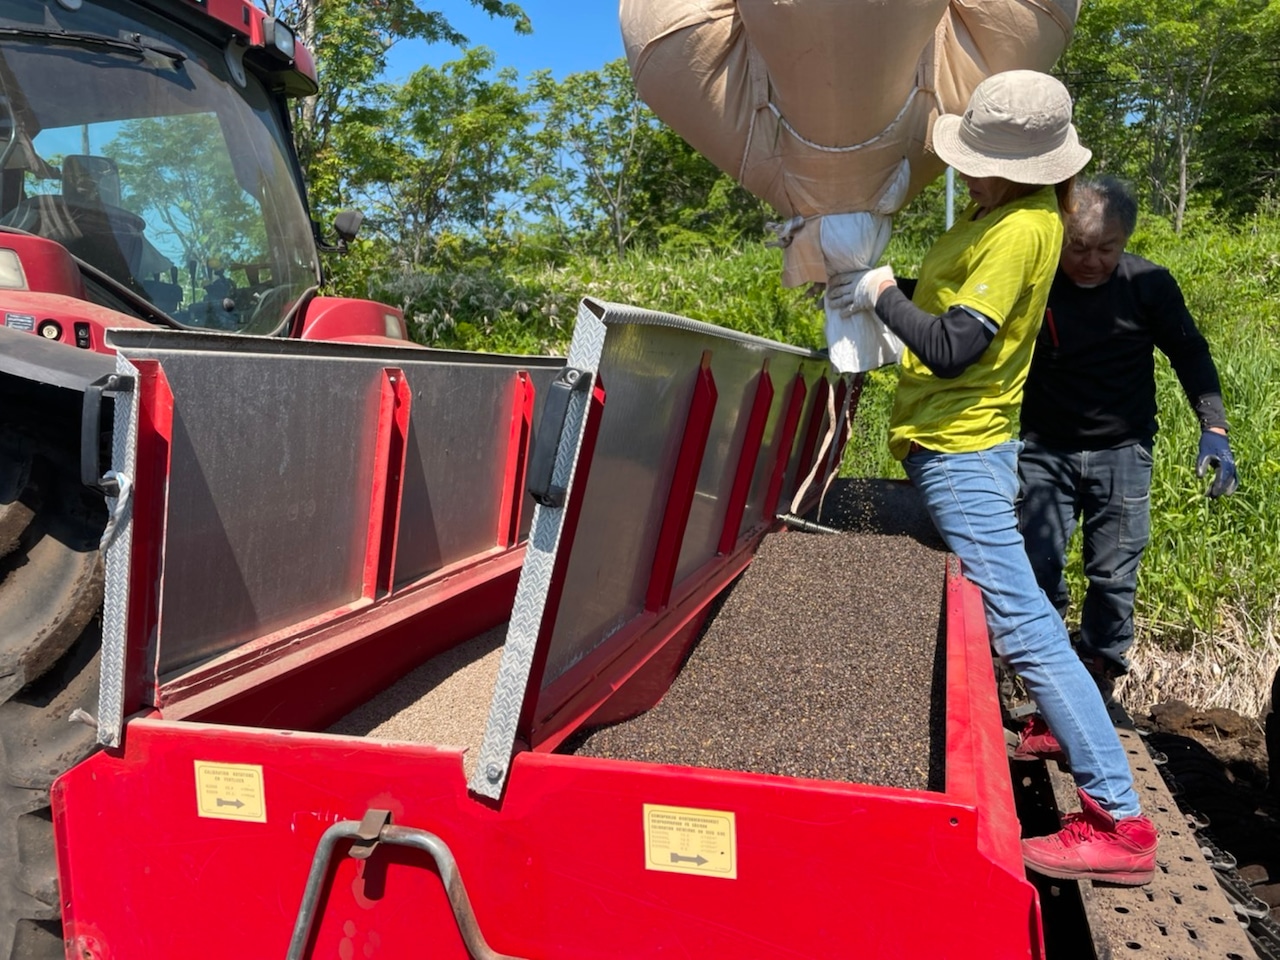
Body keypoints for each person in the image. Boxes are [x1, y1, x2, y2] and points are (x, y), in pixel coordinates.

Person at [827, 70, 1157, 884]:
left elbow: (950, 348)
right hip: (952, 447)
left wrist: (876, 293)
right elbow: (944, 316)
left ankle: (1120, 820)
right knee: (1019, 616)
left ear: (1024, 167)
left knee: (1025, 626)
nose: (964, 170)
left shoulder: (1018, 231)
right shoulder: (1000, 216)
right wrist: (884, 291)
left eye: (975, 159)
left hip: (964, 451)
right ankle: (1073, 751)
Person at [1014, 176, 1239, 759]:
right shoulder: (1038, 280)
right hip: (1045, 448)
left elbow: (1190, 350)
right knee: (1037, 570)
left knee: (1114, 575)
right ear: (1058, 237)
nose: (1090, 261)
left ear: (1125, 240)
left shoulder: (1148, 285)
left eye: (1105, 248)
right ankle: (1045, 692)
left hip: (1123, 451)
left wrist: (1213, 427)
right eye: (1078, 247)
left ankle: (1096, 681)